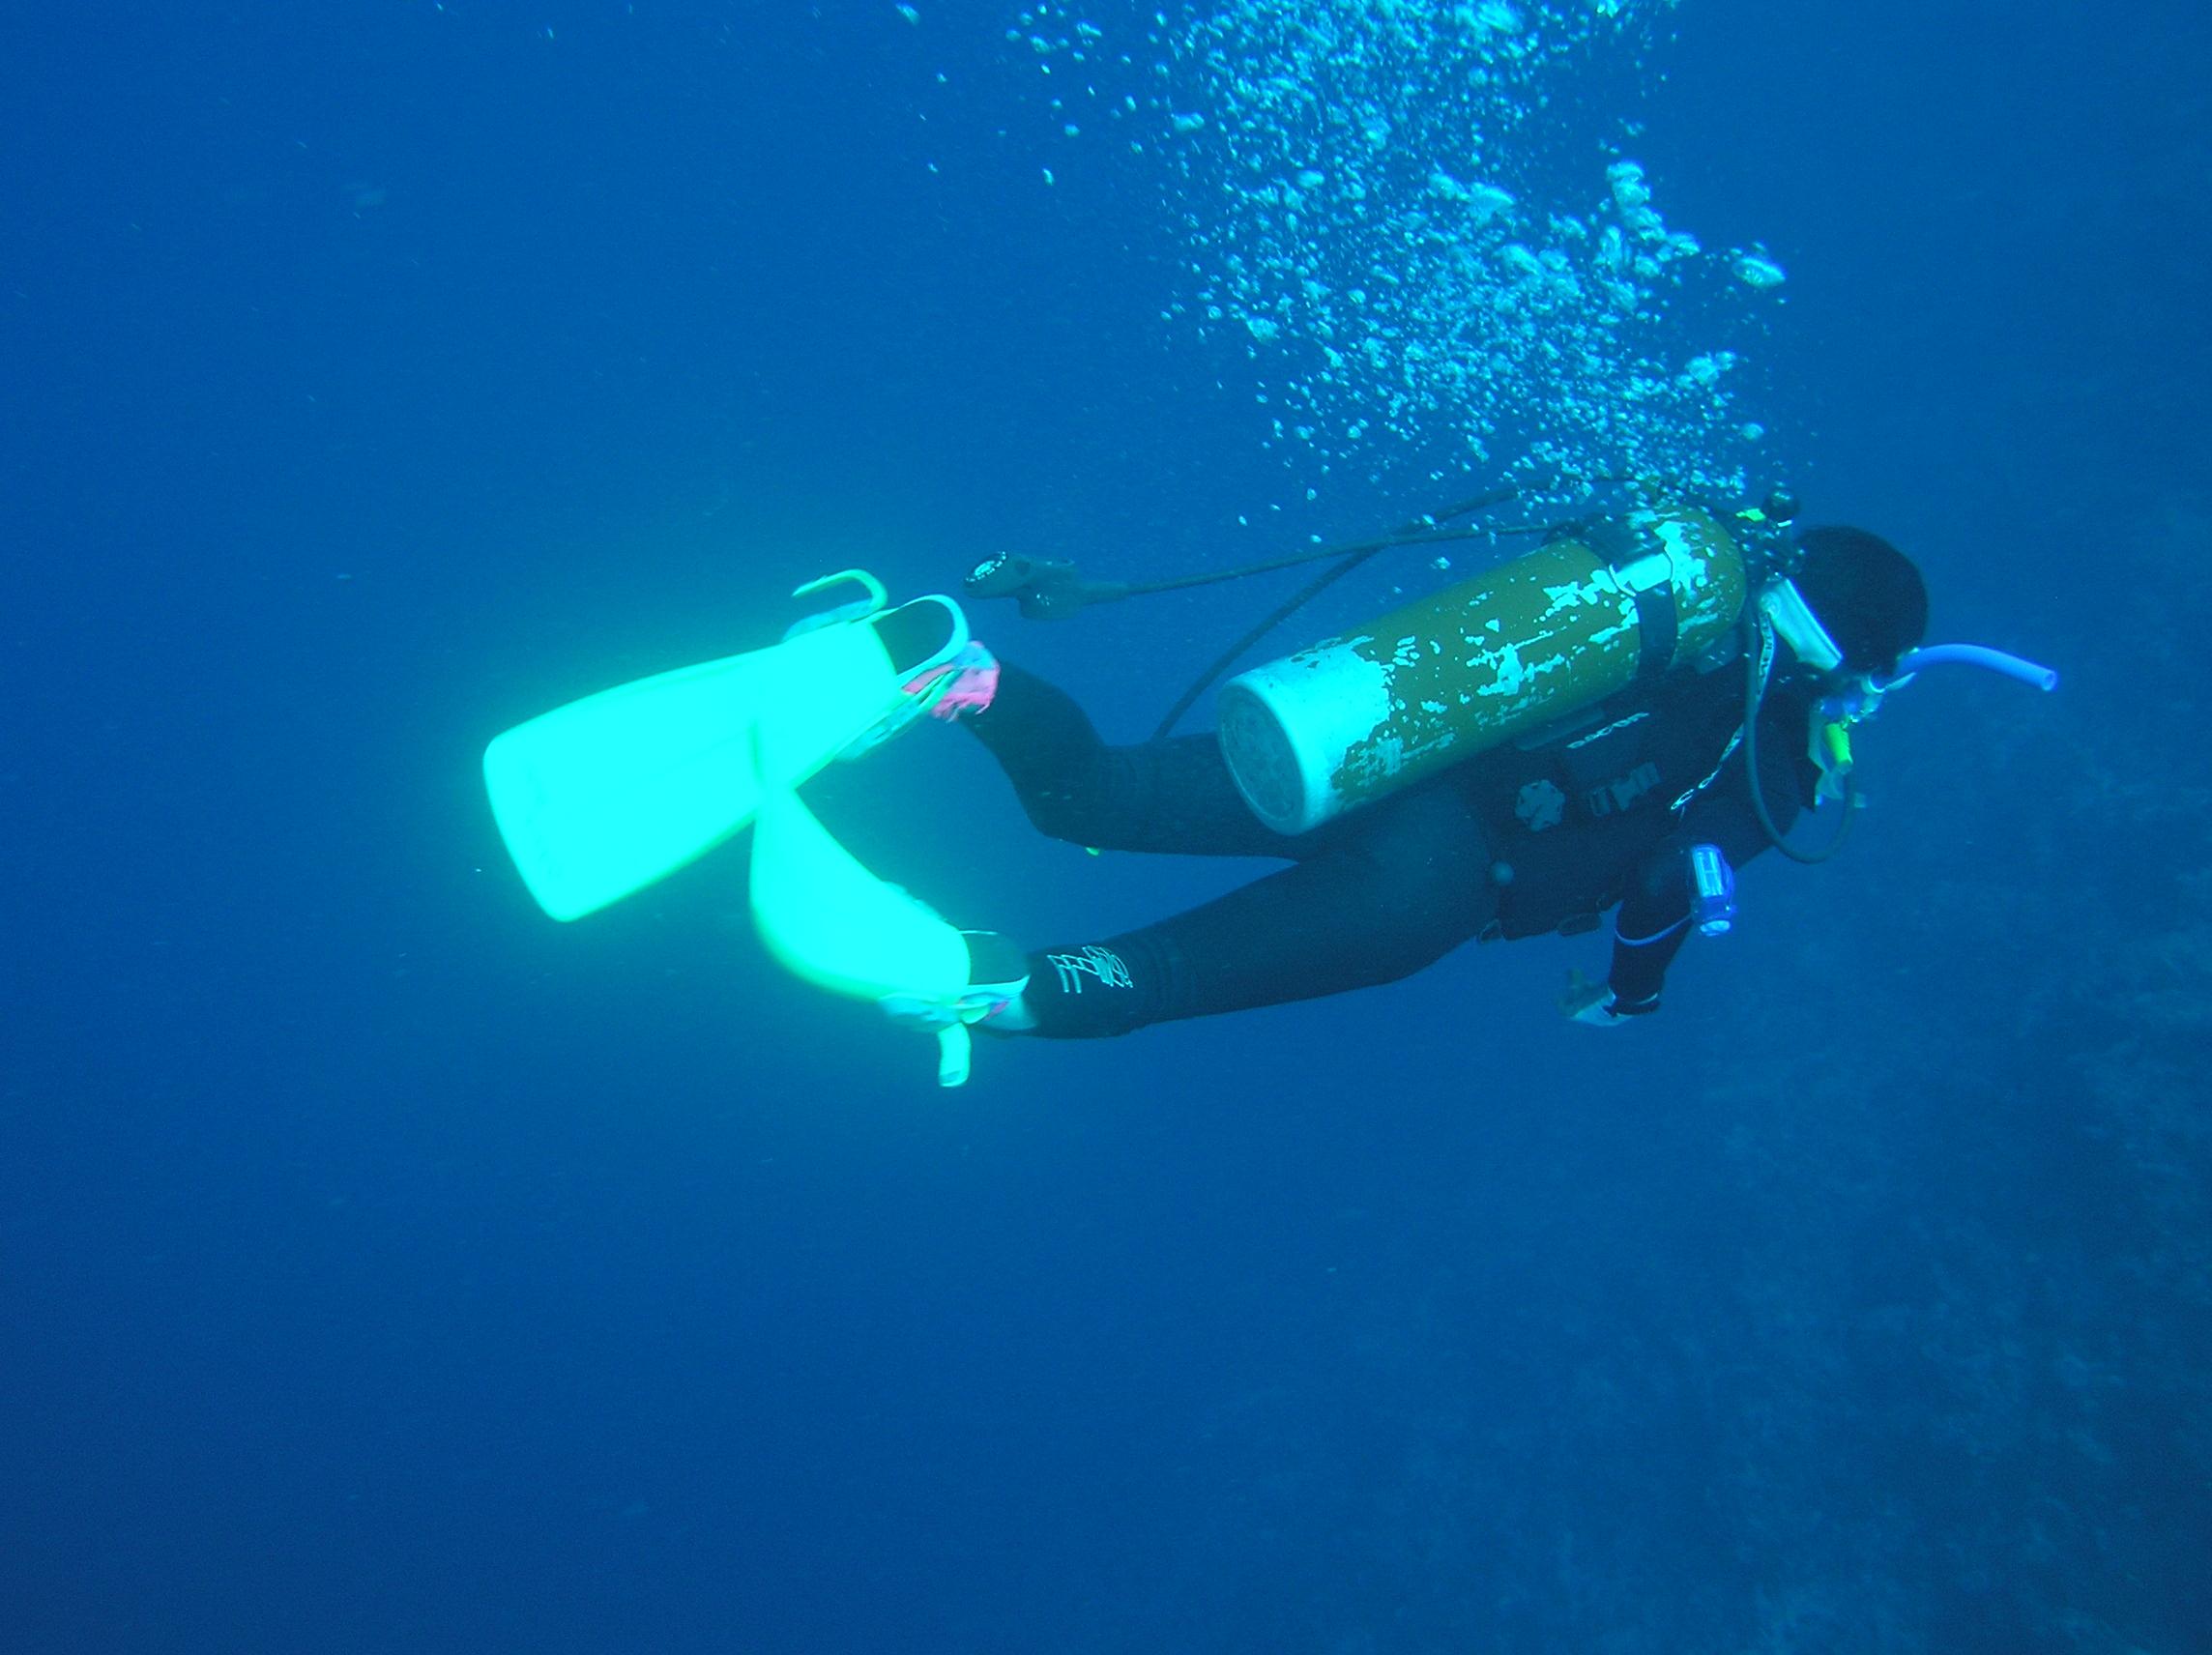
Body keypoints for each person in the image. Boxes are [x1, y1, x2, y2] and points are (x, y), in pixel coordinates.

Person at [917, 522, 1931, 1040]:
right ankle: (988, 986)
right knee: (1159, 971)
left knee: (1097, 794)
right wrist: (1633, 996)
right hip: (1437, 881)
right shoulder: (1780, 754)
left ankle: (960, 674)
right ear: (1857, 664)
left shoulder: (1670, 587)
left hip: (1365, 742)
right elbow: (1670, 880)